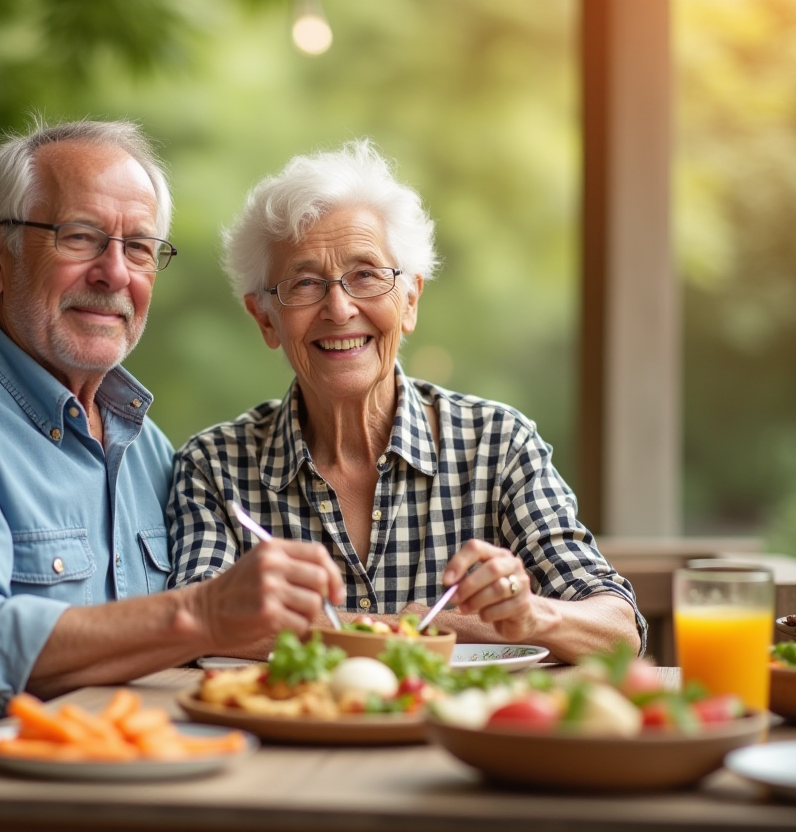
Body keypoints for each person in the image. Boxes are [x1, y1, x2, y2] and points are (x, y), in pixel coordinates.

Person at [0, 120, 344, 758]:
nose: (115, 273)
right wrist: (200, 614)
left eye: (140, 248)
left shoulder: (145, 445)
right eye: (81, 237)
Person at [167, 139, 645, 663]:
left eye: (366, 274)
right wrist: (409, 630)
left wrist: (531, 614)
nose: (339, 307)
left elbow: (618, 630)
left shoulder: (499, 444)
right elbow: (193, 623)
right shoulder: (215, 467)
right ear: (265, 320)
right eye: (304, 283)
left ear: (410, 300)